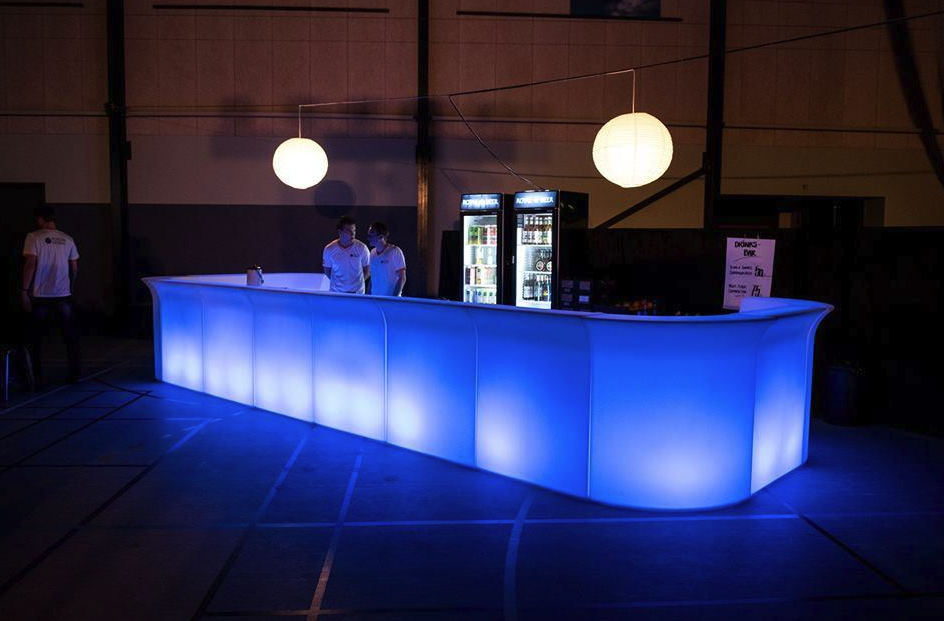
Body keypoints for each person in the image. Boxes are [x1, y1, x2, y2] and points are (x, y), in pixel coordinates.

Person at [20, 205, 81, 385]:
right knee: (70, 336)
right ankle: (74, 373)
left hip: (41, 294)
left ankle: (36, 376)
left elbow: (30, 265)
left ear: (40, 219)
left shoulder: (33, 237)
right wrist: (70, 286)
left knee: (36, 337)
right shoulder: (68, 239)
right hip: (63, 294)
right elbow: (74, 268)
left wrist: (24, 290)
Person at [322, 215, 370, 294]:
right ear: (340, 232)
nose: (352, 233)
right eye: (348, 231)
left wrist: (357, 284)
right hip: (336, 293)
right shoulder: (329, 249)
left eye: (354, 230)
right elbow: (327, 271)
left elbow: (367, 271)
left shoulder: (362, 248)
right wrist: (341, 285)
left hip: (357, 294)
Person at [366, 222, 407, 297]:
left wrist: (394, 298)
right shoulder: (372, 253)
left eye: (371, 235)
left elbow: (402, 277)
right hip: (375, 299)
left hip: (390, 299)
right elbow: (372, 277)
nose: (368, 238)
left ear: (381, 237)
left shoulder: (395, 251)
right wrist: (368, 296)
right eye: (368, 235)